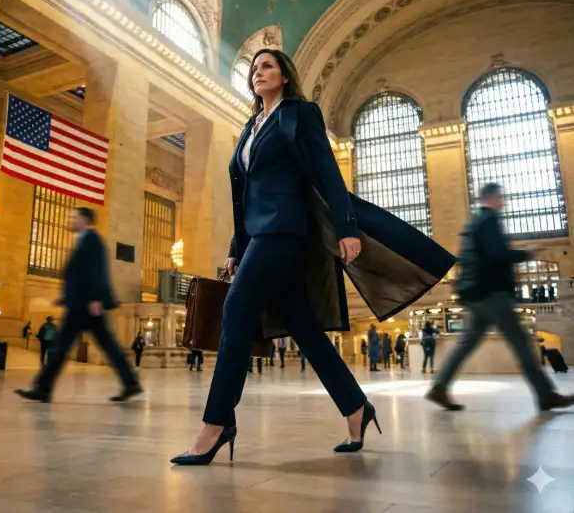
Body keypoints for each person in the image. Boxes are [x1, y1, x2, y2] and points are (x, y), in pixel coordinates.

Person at [171, 49, 455, 466]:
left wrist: (346, 226)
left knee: (236, 308)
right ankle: (356, 407)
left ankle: (217, 423)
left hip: (286, 230)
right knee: (302, 326)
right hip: (257, 234)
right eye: (254, 68)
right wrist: (237, 247)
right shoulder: (251, 126)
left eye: (267, 66)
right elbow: (244, 195)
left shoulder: (299, 113)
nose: (258, 73)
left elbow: (326, 171)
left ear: (285, 75)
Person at [426, 183, 574, 412]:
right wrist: (526, 254)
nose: (502, 202)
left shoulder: (474, 223)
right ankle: (545, 395)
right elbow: (496, 254)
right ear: (492, 198)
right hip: (493, 293)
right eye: (500, 198)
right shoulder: (489, 220)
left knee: (467, 343)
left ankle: (440, 387)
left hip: (477, 294)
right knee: (522, 344)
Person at [14, 207, 143, 404]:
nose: (70, 220)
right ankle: (130, 382)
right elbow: (80, 275)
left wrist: (95, 299)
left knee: (65, 347)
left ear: (84, 219)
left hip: (86, 306)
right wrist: (65, 297)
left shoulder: (93, 241)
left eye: (73, 217)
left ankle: (43, 388)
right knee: (98, 346)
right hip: (80, 304)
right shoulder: (84, 240)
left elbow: (97, 271)